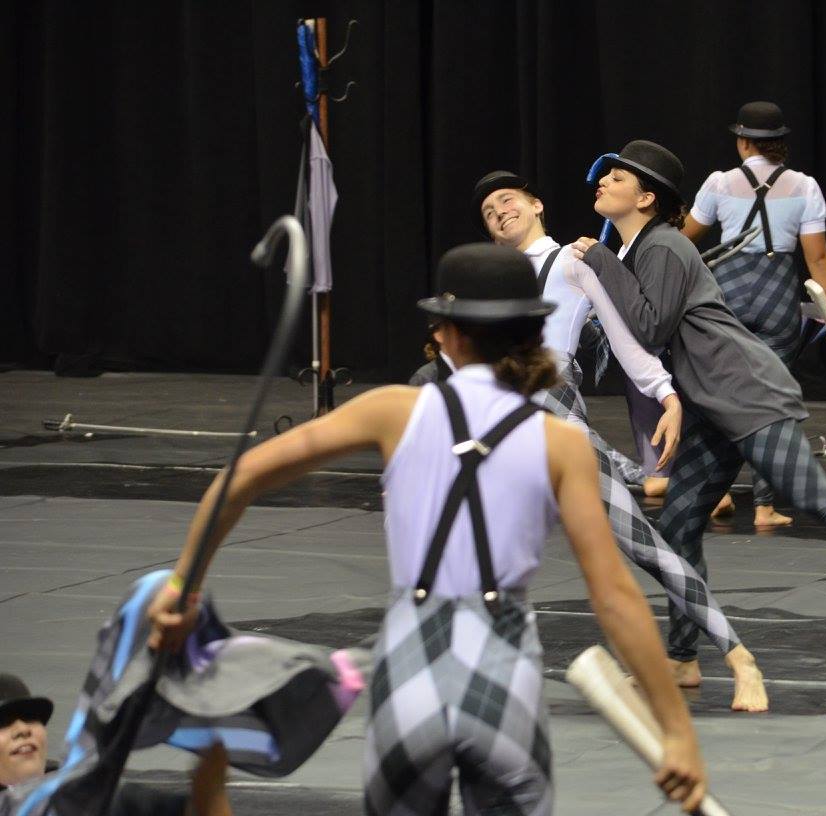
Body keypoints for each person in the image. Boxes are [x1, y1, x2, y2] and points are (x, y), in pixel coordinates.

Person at [146, 244, 708, 814]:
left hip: (409, 675)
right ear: (535, 332)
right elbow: (614, 596)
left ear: (445, 334)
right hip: (501, 677)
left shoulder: (394, 410)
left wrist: (181, 590)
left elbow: (239, 479)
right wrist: (676, 732)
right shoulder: (560, 442)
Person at [573, 140, 826, 687]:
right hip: (709, 401)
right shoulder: (639, 251)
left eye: (618, 179)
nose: (603, 182)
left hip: (744, 390)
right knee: (678, 524)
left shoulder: (666, 246)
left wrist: (600, 261)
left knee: (808, 493)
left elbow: (649, 329)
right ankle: (681, 656)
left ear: (646, 198)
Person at [471, 171, 767, 711]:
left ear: (536, 204)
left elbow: (626, 339)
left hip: (557, 428)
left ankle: (740, 658)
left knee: (649, 551)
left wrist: (667, 395)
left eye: (507, 200)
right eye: (489, 212)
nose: (499, 212)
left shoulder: (573, 263)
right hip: (502, 430)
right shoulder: (489, 281)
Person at [682, 101, 826, 528]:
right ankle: (764, 506)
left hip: (727, 296)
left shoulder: (719, 183)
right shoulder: (805, 187)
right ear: (779, 143)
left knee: (720, 392)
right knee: (770, 401)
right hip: (777, 298)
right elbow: (818, 259)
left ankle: (716, 492)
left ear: (743, 142)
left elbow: (686, 239)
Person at [0, 673, 231, 816]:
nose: (23, 729)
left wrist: (211, 791)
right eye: (3, 723)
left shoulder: (86, 793)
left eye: (30, 718)